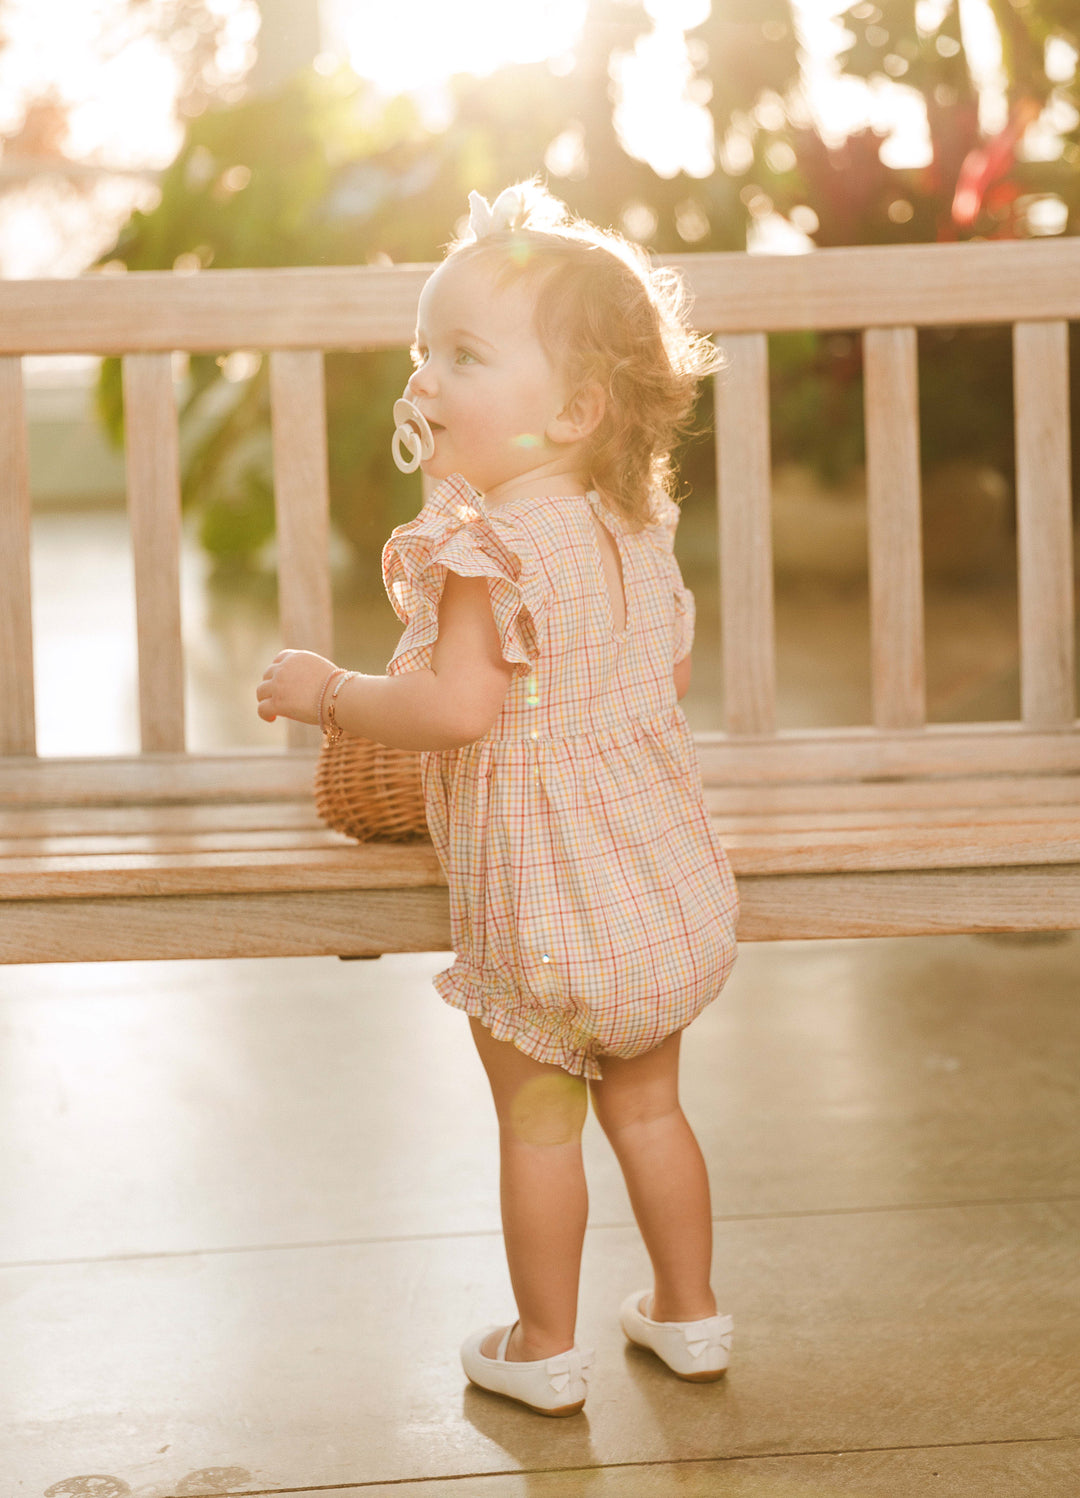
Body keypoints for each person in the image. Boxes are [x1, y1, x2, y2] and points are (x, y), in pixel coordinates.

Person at [256, 181, 740, 1418]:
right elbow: (669, 668)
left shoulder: (484, 551)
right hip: (656, 886)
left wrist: (330, 692)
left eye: (462, 356)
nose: (425, 383)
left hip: (542, 900)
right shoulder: (635, 524)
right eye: (424, 353)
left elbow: (457, 710)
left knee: (540, 1123)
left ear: (574, 408)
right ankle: (691, 1315)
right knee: (651, 1106)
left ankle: (543, 1343)